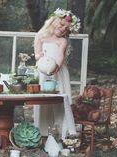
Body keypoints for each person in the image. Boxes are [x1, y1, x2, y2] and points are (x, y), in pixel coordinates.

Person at [33, 8, 81, 139]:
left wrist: (56, 67)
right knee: (43, 100)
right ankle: (42, 131)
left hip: (58, 72)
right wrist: (40, 56)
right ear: (54, 21)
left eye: (67, 29)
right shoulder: (41, 36)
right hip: (44, 71)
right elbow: (37, 54)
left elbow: (60, 56)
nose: (63, 29)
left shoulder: (62, 41)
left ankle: (63, 131)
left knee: (59, 100)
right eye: (62, 25)